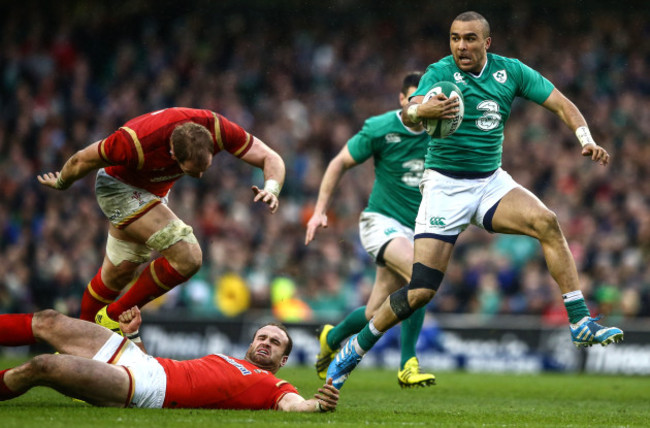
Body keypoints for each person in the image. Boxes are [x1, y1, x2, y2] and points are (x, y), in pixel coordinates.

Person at [326, 11, 624, 390]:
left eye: (469, 39)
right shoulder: (438, 73)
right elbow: (411, 110)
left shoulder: (511, 72)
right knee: (420, 291)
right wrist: (421, 110)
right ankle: (355, 347)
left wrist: (586, 139)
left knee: (547, 221)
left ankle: (580, 321)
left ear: (487, 42)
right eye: (454, 38)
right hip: (444, 188)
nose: (460, 46)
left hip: (489, 183)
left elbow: (563, 104)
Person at [37, 107, 285, 332]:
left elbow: (270, 157)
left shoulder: (217, 129)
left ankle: (77, 339)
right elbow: (83, 158)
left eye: (204, 168)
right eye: (191, 170)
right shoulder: (134, 142)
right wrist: (61, 182)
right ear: (172, 153)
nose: (198, 176)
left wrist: (272, 189)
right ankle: (112, 316)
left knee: (117, 275)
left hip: (153, 194)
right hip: (118, 187)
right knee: (189, 256)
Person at [305, 72, 435, 388]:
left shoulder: (440, 131)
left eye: (426, 99)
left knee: (376, 311)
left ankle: (332, 336)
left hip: (416, 229)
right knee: (421, 277)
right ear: (402, 100)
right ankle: (407, 363)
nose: (420, 104)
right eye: (414, 98)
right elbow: (339, 163)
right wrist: (319, 210)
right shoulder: (380, 128)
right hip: (381, 223)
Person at [0, 307, 339, 411]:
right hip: (144, 363)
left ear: (283, 360)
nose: (266, 343)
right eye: (262, 337)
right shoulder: (225, 357)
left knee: (44, 366)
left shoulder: (273, 384)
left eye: (275, 343)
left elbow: (294, 405)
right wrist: (132, 337)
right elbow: (156, 366)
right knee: (48, 321)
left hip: (149, 390)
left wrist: (316, 405)